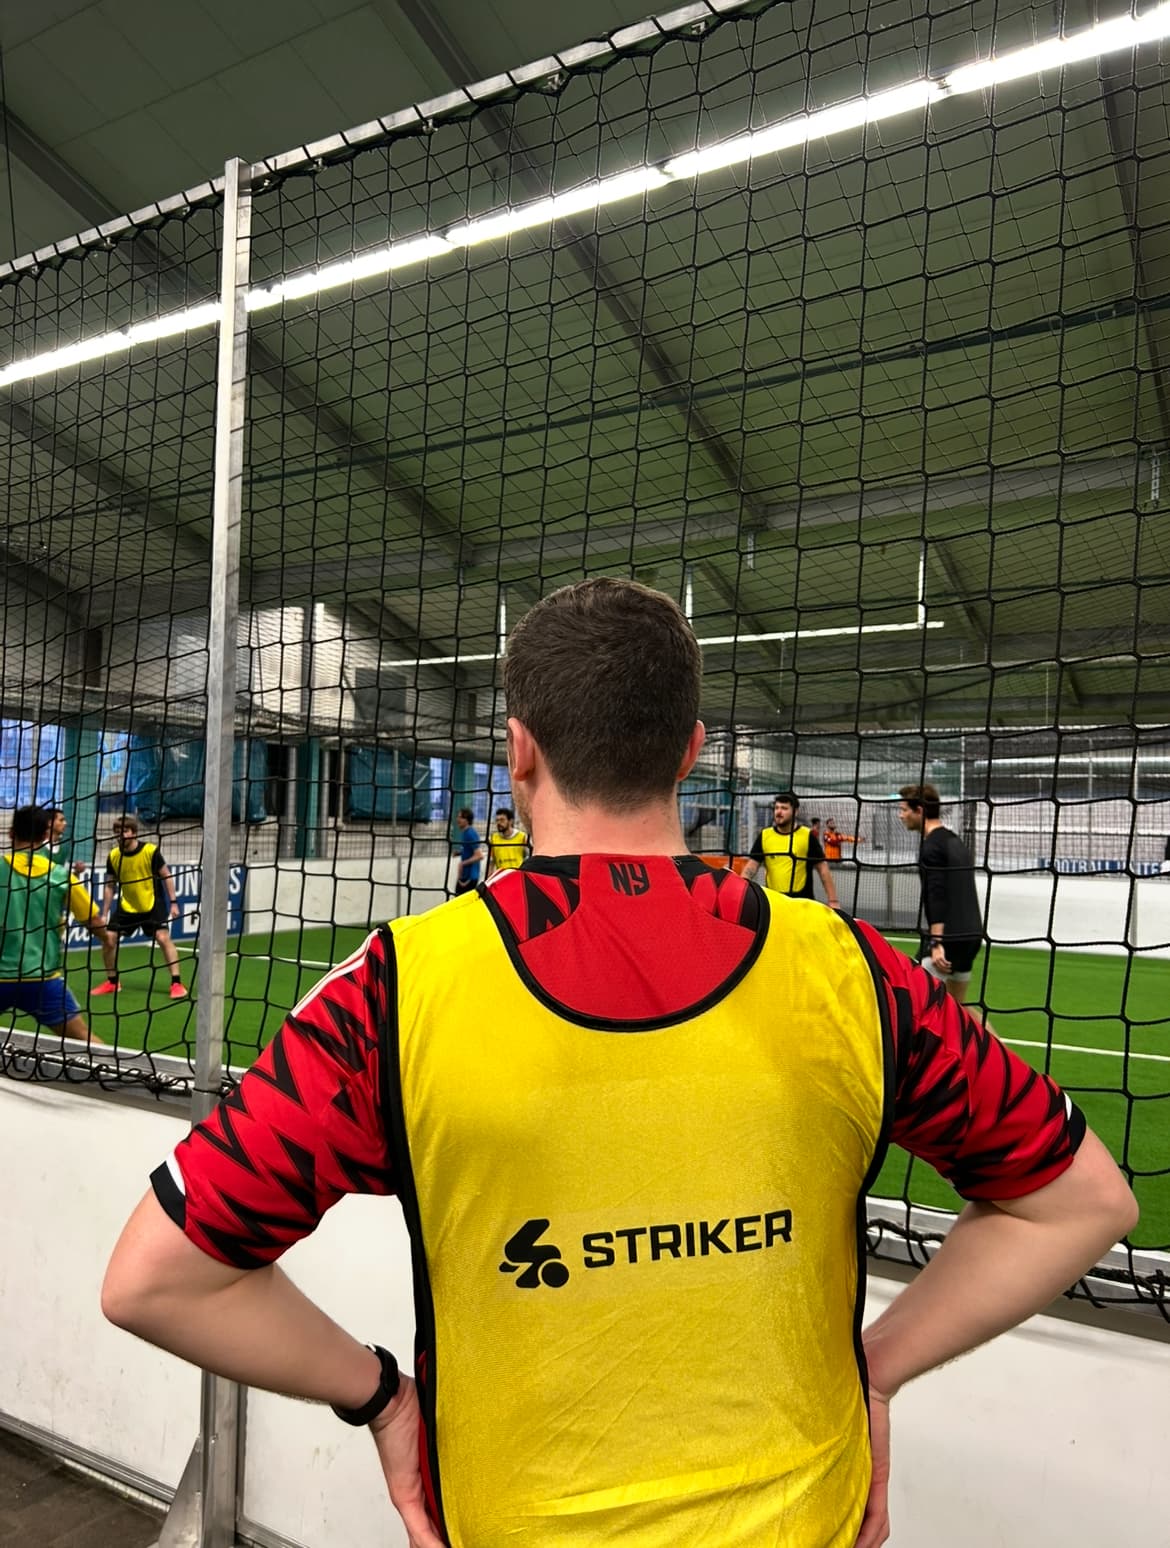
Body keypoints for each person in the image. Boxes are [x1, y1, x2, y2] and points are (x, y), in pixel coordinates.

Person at [103, 579, 1137, 1548]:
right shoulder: (855, 976)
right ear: (689, 753)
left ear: (518, 753)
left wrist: (382, 1398)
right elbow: (1084, 1201)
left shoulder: (393, 993)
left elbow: (156, 1280)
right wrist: (875, 1370)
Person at [0, 805, 107, 1041]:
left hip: (1, 977)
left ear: (10, 833)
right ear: (44, 835)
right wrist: (108, 939)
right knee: (86, 1041)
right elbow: (93, 920)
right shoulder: (60, 875)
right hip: (42, 979)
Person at [898, 783, 983, 1005]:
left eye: (904, 810)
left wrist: (936, 943)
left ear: (919, 810)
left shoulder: (931, 847)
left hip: (947, 940)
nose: (901, 816)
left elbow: (936, 895)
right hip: (971, 936)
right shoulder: (955, 842)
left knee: (915, 1004)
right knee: (960, 1012)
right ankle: (996, 1042)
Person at [93, 815, 187, 999]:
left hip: (152, 903)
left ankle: (176, 983)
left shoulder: (150, 851)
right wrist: (104, 913)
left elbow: (166, 875)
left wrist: (173, 902)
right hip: (127, 905)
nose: (121, 836)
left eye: (125, 832)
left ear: (134, 833)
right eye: (117, 833)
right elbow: (110, 885)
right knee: (109, 939)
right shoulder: (113, 855)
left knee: (162, 937)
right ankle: (112, 982)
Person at [742, 792, 841, 908]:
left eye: (784, 808)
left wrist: (833, 901)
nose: (779, 812)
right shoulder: (765, 835)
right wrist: (740, 889)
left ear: (795, 811)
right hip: (774, 903)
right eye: (777, 808)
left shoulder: (807, 835)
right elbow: (751, 866)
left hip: (802, 903)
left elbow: (823, 869)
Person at [451, 807, 485, 896]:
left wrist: (463, 863)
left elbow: (479, 855)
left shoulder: (470, 833)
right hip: (465, 875)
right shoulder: (465, 833)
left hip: (470, 877)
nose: (458, 819)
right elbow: (470, 850)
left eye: (461, 817)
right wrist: (460, 853)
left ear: (467, 820)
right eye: (458, 817)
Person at [486, 807, 528, 875]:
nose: (499, 823)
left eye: (502, 820)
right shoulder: (493, 839)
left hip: (517, 876)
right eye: (497, 820)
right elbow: (491, 862)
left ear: (510, 821)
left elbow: (528, 858)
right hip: (501, 877)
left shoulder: (522, 837)